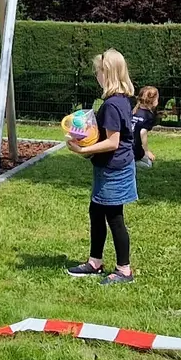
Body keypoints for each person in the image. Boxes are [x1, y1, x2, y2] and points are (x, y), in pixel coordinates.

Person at [66, 49, 138, 285]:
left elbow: (113, 142)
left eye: (98, 71)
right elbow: (105, 135)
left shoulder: (112, 105)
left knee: (114, 218)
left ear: (107, 73)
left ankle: (124, 270)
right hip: (110, 168)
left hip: (114, 170)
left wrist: (83, 150)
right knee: (96, 213)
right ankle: (95, 261)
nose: (96, 75)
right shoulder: (119, 101)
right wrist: (85, 136)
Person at [132, 85, 160, 170]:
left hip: (125, 147)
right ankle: (131, 165)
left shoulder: (134, 111)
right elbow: (143, 132)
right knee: (148, 164)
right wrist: (146, 151)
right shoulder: (149, 116)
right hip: (135, 149)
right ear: (153, 100)